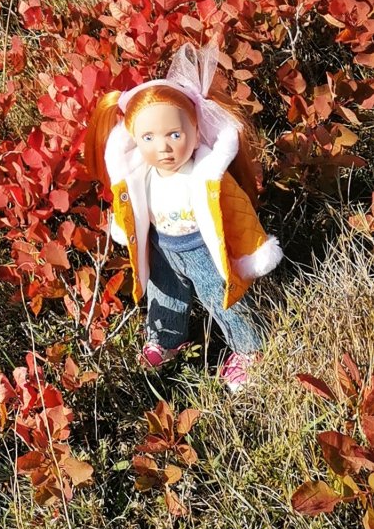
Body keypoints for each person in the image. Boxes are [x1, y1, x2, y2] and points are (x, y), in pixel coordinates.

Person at [85, 42, 282, 393]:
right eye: (148, 137)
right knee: (164, 294)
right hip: (161, 248)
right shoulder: (137, 174)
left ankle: (249, 348)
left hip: (201, 248)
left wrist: (255, 251)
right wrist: (123, 227)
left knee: (221, 298)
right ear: (134, 139)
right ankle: (166, 338)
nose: (163, 147)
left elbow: (239, 213)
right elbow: (129, 206)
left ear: (194, 129)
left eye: (174, 135)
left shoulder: (207, 175)